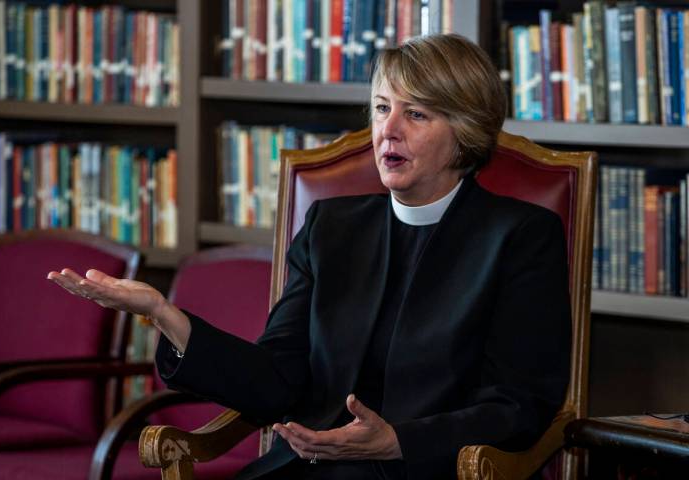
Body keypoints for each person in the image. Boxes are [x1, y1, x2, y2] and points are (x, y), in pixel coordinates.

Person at [48, 34, 571, 480]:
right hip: (308, 469)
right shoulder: (332, 227)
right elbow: (277, 377)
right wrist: (167, 316)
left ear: (465, 132)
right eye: (382, 107)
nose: (389, 130)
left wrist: (397, 441)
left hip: (427, 468)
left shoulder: (521, 237)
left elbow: (519, 404)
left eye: (416, 114)